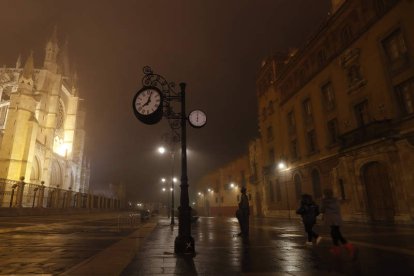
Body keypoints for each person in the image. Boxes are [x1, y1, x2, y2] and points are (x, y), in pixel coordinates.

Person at [320, 188, 355, 257]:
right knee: (334, 233)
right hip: (337, 219)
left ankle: (349, 247)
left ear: (325, 194)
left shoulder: (324, 201)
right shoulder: (336, 200)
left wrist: (323, 202)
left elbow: (321, 210)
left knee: (336, 234)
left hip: (331, 219)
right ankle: (337, 248)